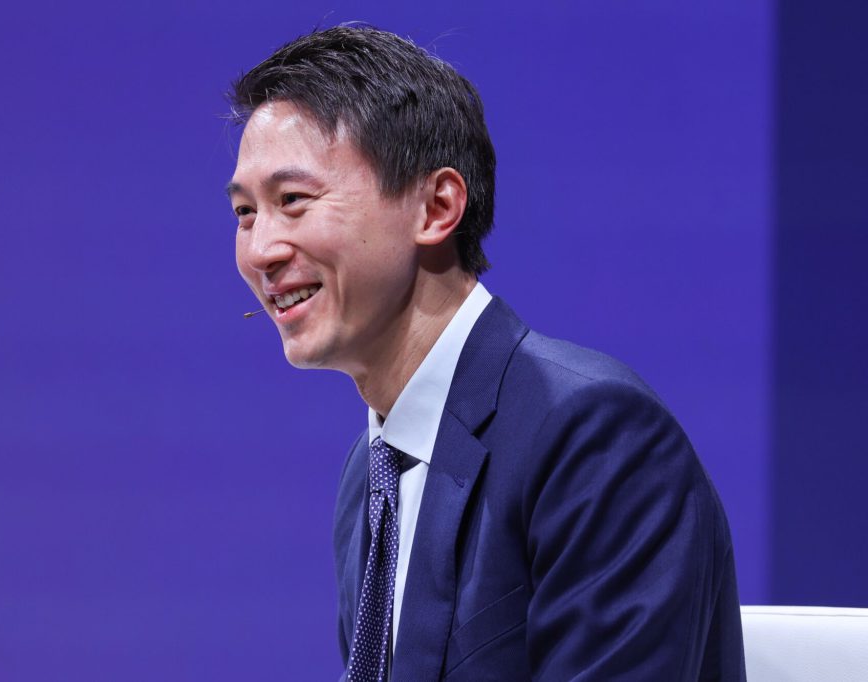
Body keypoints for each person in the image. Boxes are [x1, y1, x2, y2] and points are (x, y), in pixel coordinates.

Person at [226, 25, 746, 682]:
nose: (260, 251)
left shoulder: (594, 438)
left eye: (293, 201)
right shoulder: (371, 473)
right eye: (245, 213)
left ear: (436, 207)